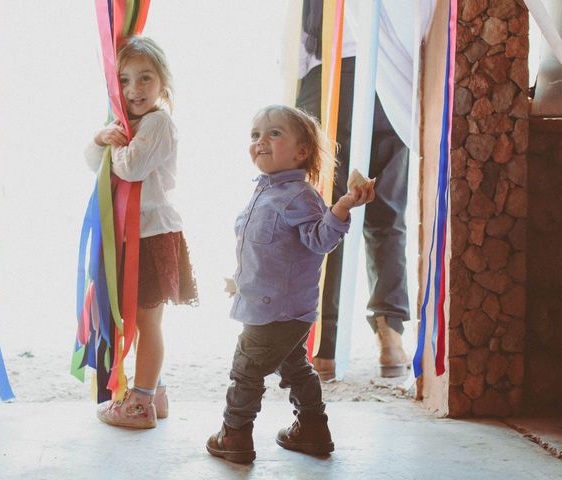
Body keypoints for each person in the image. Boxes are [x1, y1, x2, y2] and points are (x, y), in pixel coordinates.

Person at [206, 105, 374, 464]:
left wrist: (342, 206)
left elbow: (319, 240)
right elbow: (271, 253)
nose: (260, 141)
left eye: (273, 133)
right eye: (255, 135)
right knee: (294, 366)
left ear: (301, 152)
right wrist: (240, 281)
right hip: (275, 305)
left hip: (277, 311)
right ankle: (313, 429)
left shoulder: (301, 196)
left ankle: (234, 434)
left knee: (246, 370)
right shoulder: (264, 193)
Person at [84, 36, 198, 429]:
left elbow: (130, 167)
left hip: (152, 236)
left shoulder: (159, 122)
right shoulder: (128, 124)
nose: (135, 89)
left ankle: (142, 402)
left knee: (148, 322)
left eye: (145, 78)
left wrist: (114, 145)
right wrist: (102, 137)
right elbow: (92, 162)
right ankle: (156, 393)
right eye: (126, 80)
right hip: (132, 237)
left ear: (163, 84)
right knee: (131, 318)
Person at [296, 0, 410, 380]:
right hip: (387, 70)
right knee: (386, 214)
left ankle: (326, 343)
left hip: (333, 73)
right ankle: (389, 334)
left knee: (328, 214)